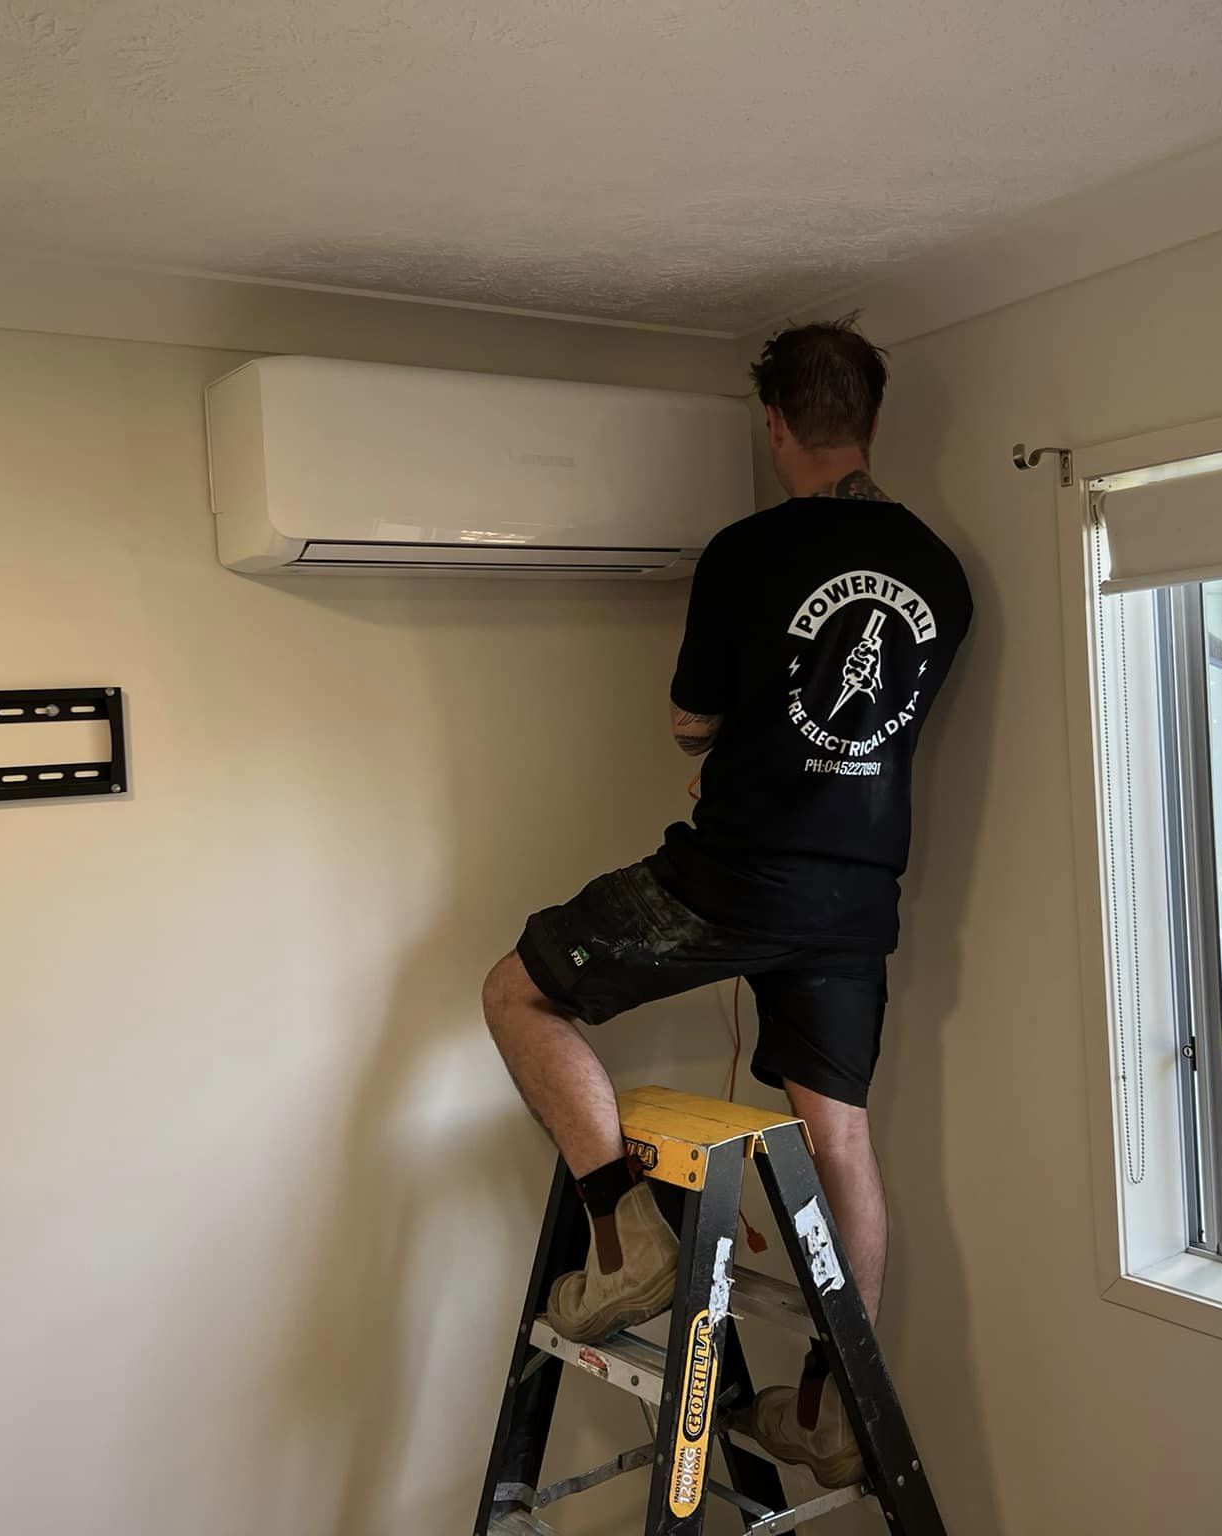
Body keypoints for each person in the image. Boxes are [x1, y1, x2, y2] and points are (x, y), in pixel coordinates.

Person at [482, 316, 971, 1487]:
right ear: (869, 419)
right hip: (857, 898)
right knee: (838, 1136)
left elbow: (690, 723)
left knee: (515, 994)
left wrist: (733, 739)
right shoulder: (943, 575)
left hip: (736, 873)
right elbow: (881, 720)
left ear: (771, 423)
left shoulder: (746, 553)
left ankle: (622, 1236)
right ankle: (834, 1411)